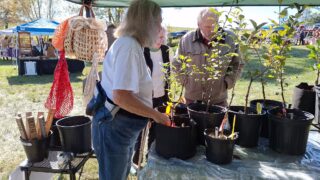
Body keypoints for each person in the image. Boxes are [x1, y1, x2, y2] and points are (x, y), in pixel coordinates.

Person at [91, 0, 170, 179]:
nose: (160, 27)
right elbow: (121, 97)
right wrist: (155, 114)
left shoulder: (132, 45)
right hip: (115, 126)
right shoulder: (128, 47)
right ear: (146, 22)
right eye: (158, 21)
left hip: (120, 127)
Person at [172, 8, 243, 107]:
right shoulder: (186, 40)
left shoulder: (230, 39)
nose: (212, 30)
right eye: (207, 27)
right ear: (198, 24)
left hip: (218, 99)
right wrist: (185, 81)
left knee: (219, 123)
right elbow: (176, 63)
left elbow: (238, 63)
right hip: (192, 98)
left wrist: (228, 82)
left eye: (215, 26)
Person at [132, 26, 172, 165]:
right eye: (157, 37)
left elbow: (171, 74)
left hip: (162, 99)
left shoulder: (167, 51)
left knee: (156, 130)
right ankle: (136, 161)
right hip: (145, 98)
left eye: (162, 37)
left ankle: (151, 161)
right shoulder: (142, 51)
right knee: (141, 130)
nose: (160, 40)